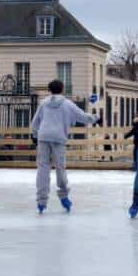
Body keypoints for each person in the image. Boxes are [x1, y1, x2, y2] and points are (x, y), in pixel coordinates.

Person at [30, 79, 97, 214]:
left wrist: (34, 135)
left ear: (50, 90)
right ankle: (64, 196)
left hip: (43, 137)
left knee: (43, 168)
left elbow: (35, 122)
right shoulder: (67, 104)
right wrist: (95, 118)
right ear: (62, 89)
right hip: (58, 138)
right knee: (60, 167)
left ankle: (41, 201)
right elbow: (82, 116)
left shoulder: (43, 103)